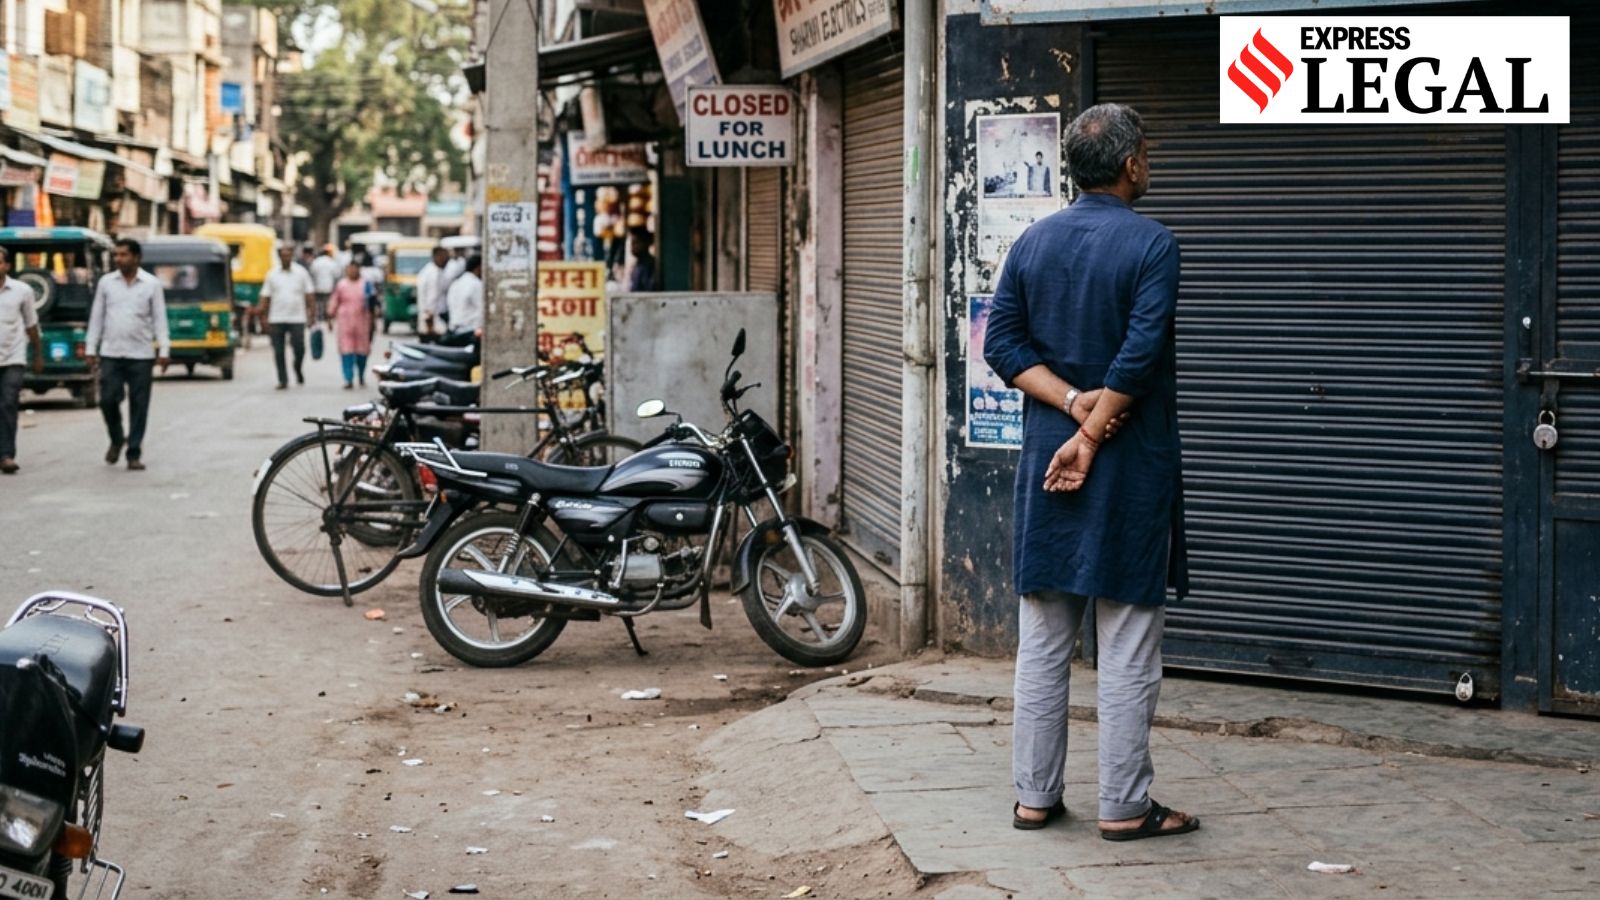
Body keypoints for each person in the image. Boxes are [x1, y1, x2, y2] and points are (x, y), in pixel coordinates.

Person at [981, 103, 1197, 842]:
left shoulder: (1033, 243)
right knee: (1129, 635)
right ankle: (1124, 806)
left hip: (1050, 459)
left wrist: (1071, 416)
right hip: (1129, 464)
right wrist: (1096, 431)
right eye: (1149, 154)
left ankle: (1034, 799)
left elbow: (1002, 346)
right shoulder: (1153, 244)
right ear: (1132, 163)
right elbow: (1138, 358)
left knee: (1042, 637)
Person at [86, 238, 170, 471]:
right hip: (111, 352)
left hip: (141, 354)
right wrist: (91, 348)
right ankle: (116, 437)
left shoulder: (151, 284)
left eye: (123, 255)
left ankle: (134, 452)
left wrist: (164, 349)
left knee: (139, 405)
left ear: (136, 258)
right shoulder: (106, 283)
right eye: (116, 255)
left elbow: (159, 319)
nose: (118, 259)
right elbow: (97, 317)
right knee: (107, 400)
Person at [0, 248, 44, 474]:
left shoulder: (22, 290)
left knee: (8, 403)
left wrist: (38, 354)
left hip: (13, 358)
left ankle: (6, 454)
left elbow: (31, 324)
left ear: (7, 266)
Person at [260, 245, 315, 390]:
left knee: (299, 348)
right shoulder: (272, 274)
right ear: (279, 257)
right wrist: (263, 317)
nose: (286, 258)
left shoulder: (301, 273)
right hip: (276, 318)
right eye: (283, 255)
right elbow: (265, 297)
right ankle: (282, 379)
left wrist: (312, 314)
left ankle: (297, 367)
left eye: (288, 255)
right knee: (278, 351)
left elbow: (309, 295)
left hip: (297, 318)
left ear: (292, 256)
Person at [327, 262, 373, 389]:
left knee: (362, 351)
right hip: (345, 322)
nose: (352, 272)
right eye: (350, 269)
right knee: (346, 350)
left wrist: (373, 320)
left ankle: (361, 375)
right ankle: (348, 378)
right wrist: (330, 316)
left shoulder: (366, 284)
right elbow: (334, 300)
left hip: (362, 322)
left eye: (354, 269)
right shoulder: (341, 285)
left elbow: (373, 304)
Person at [444, 254, 483, 335]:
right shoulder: (476, 284)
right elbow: (482, 308)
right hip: (470, 331)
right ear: (479, 268)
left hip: (453, 329)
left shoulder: (455, 283)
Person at [416, 246, 450, 336]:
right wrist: (430, 317)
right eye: (443, 256)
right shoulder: (433, 273)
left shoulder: (430, 270)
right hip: (433, 316)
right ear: (437, 256)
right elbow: (433, 296)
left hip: (432, 314)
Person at [309, 244, 341, 323]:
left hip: (317, 286)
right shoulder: (332, 262)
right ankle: (327, 317)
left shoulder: (316, 262)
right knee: (328, 303)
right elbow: (337, 275)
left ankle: (320, 317)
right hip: (329, 287)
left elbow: (312, 273)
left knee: (319, 303)